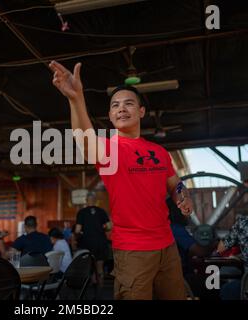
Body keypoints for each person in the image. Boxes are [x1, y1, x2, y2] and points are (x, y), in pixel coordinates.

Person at [49, 61, 194, 300]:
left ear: (141, 112)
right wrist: (76, 99)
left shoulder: (159, 152)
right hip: (132, 251)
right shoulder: (108, 149)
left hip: (168, 247)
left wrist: (183, 195)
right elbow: (83, 138)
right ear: (110, 115)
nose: (121, 108)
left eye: (128, 103)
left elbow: (174, 183)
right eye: (115, 105)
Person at [75, 192, 111, 286]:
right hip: (101, 242)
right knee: (100, 267)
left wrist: (82, 232)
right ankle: (101, 290)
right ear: (95, 201)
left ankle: (89, 288)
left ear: (86, 200)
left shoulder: (81, 212)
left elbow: (77, 230)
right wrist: (102, 228)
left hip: (87, 243)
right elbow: (109, 226)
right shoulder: (101, 211)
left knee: (88, 266)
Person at [217, 213, 248, 300]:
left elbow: (220, 248)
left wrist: (241, 255)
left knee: (227, 290)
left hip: (247, 287)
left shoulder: (243, 222)